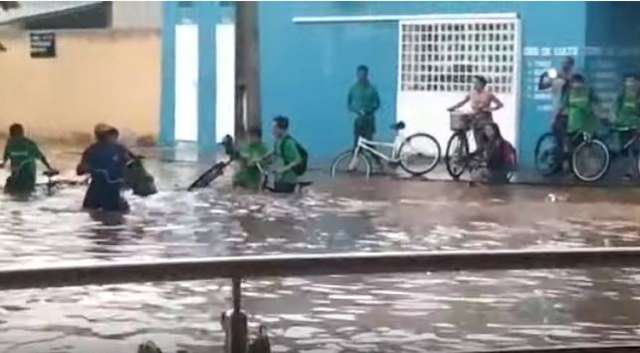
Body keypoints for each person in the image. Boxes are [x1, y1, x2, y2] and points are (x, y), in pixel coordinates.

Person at [77, 123, 131, 212]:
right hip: (96, 188)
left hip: (114, 188)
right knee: (90, 211)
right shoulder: (91, 150)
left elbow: (131, 164)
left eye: (111, 135)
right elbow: (80, 170)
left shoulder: (120, 149)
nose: (110, 138)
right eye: (106, 135)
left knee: (118, 213)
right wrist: (87, 169)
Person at [448, 75, 504, 150]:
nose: (474, 85)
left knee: (490, 138)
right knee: (478, 142)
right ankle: (472, 155)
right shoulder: (472, 93)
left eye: (476, 83)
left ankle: (489, 155)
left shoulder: (488, 94)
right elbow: (462, 102)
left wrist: (490, 109)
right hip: (475, 120)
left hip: (486, 120)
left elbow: (500, 105)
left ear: (482, 84)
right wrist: (453, 107)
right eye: (473, 83)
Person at [0, 123, 56, 196]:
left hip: (28, 178)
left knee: (23, 195)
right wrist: (3, 163)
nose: (13, 136)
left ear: (21, 133)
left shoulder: (29, 144)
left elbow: (41, 157)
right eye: (12, 134)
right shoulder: (10, 143)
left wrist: (49, 168)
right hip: (15, 178)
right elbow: (6, 156)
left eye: (15, 134)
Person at [539, 56, 575, 148]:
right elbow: (542, 86)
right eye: (563, 62)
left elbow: (571, 86)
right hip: (556, 111)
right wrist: (542, 76)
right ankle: (557, 158)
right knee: (558, 139)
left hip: (568, 112)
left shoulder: (573, 78)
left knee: (569, 139)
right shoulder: (556, 77)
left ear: (571, 65)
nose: (564, 65)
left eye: (567, 63)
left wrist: (564, 78)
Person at [269, 116, 307, 193]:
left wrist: (283, 169)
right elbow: (275, 151)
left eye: (274, 128)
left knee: (284, 200)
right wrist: (262, 158)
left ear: (281, 129)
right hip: (279, 178)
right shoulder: (278, 141)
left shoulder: (288, 143)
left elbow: (297, 160)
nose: (272, 130)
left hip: (288, 179)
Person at [614, 74, 640, 179]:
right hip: (623, 125)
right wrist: (616, 118)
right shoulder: (622, 94)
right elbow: (617, 107)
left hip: (636, 125)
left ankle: (634, 171)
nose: (630, 84)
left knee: (635, 150)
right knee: (625, 150)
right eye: (627, 82)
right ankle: (628, 171)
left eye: (632, 81)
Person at [348, 65, 381, 146]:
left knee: (369, 143)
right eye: (359, 74)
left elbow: (377, 103)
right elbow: (349, 104)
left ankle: (374, 158)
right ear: (357, 75)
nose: (361, 76)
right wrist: (357, 111)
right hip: (358, 120)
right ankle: (356, 157)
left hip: (369, 120)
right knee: (357, 143)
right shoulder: (353, 89)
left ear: (367, 75)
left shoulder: (372, 88)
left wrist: (369, 110)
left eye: (363, 74)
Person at [565, 74, 600, 141]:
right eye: (574, 82)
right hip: (574, 125)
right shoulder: (569, 93)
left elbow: (596, 103)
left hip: (587, 123)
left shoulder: (588, 91)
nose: (577, 85)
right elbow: (565, 106)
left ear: (583, 83)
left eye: (579, 82)